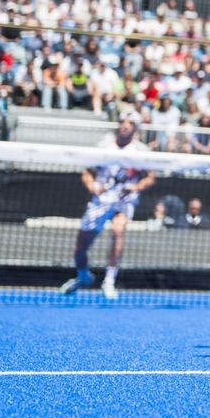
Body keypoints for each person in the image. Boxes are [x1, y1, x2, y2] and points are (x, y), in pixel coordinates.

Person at [59, 112, 155, 300]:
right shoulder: (104, 146)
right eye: (122, 122)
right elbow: (87, 173)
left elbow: (150, 177)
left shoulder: (141, 151)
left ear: (136, 128)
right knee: (80, 248)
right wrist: (93, 187)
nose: (125, 126)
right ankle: (83, 276)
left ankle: (109, 281)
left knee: (118, 231)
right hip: (100, 201)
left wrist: (135, 187)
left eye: (130, 123)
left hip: (124, 201)